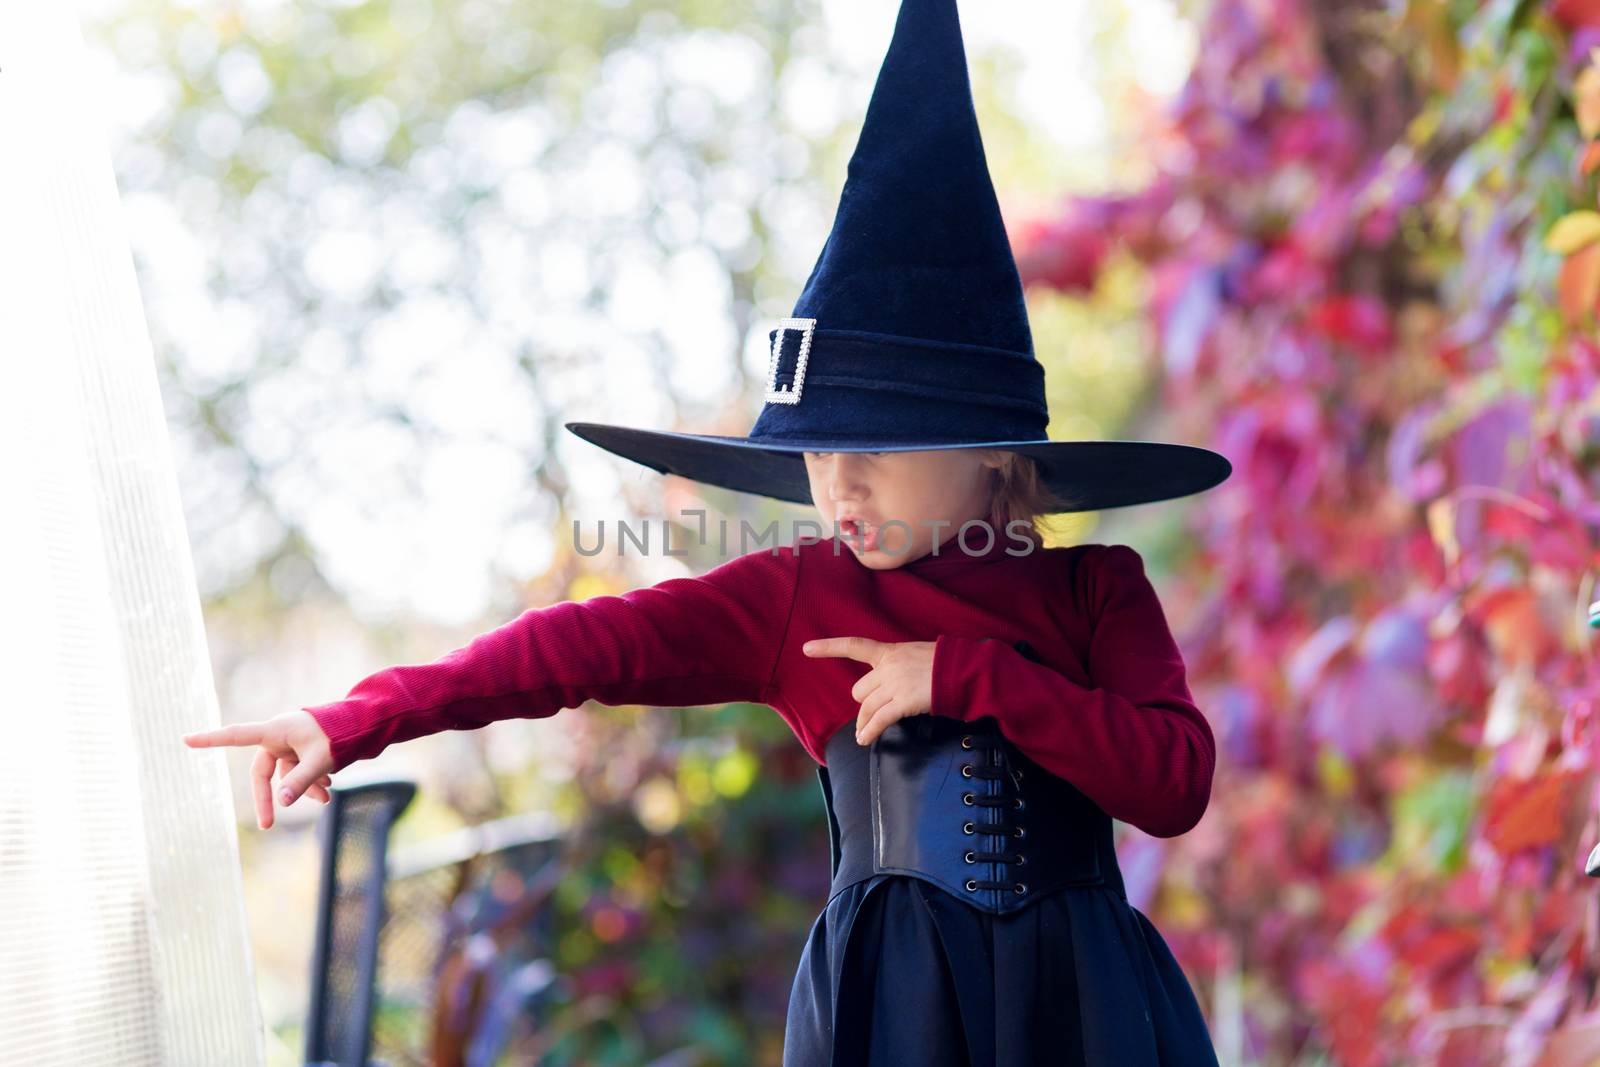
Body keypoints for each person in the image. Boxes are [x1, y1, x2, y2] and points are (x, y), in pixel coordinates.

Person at [184, 1, 1234, 1063]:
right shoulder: (797, 597)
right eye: (820, 452)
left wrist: (965, 674)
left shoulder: (1094, 589)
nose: (841, 483)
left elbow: (1172, 783)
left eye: (878, 445)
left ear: (993, 454)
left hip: (1087, 1009)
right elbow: (568, 650)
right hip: (893, 1014)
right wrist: (352, 718)